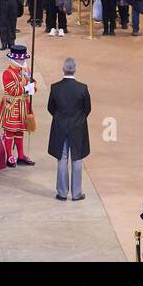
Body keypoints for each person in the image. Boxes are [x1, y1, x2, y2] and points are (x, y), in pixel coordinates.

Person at [47, 57, 91, 201]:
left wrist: (60, 118)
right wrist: (78, 119)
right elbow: (87, 108)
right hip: (77, 127)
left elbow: (50, 108)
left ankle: (62, 192)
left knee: (62, 158)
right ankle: (77, 193)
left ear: (63, 69)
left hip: (60, 126)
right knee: (77, 159)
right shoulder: (82, 88)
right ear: (75, 69)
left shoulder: (55, 87)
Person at [0, 43, 36, 167]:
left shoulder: (25, 70)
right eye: (20, 59)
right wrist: (26, 88)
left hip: (23, 105)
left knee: (20, 131)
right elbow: (13, 90)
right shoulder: (7, 73)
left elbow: (33, 84)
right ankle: (9, 156)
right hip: (12, 105)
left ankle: (21, 155)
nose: (23, 60)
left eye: (23, 58)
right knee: (9, 132)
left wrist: (32, 87)